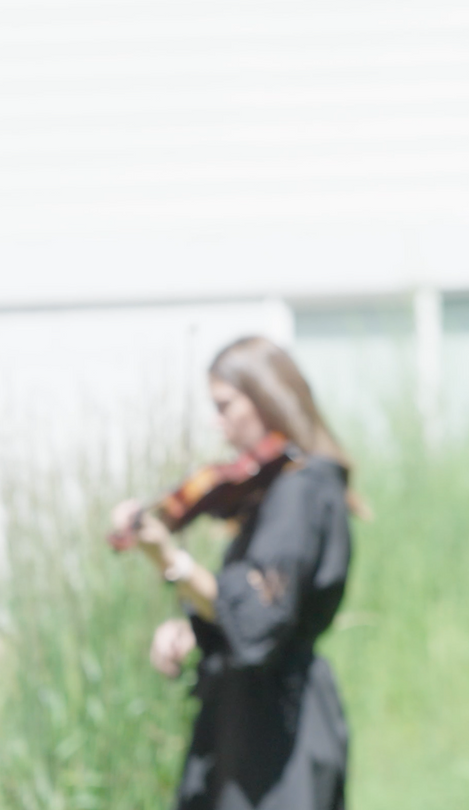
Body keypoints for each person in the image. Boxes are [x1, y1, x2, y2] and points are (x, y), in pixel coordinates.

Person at [111, 336, 357, 810]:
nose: (216, 422)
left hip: (280, 732)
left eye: (225, 406)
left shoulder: (300, 491)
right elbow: (249, 609)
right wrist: (193, 629)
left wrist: (171, 561)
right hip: (249, 721)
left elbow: (258, 617)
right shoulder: (280, 488)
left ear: (268, 398)